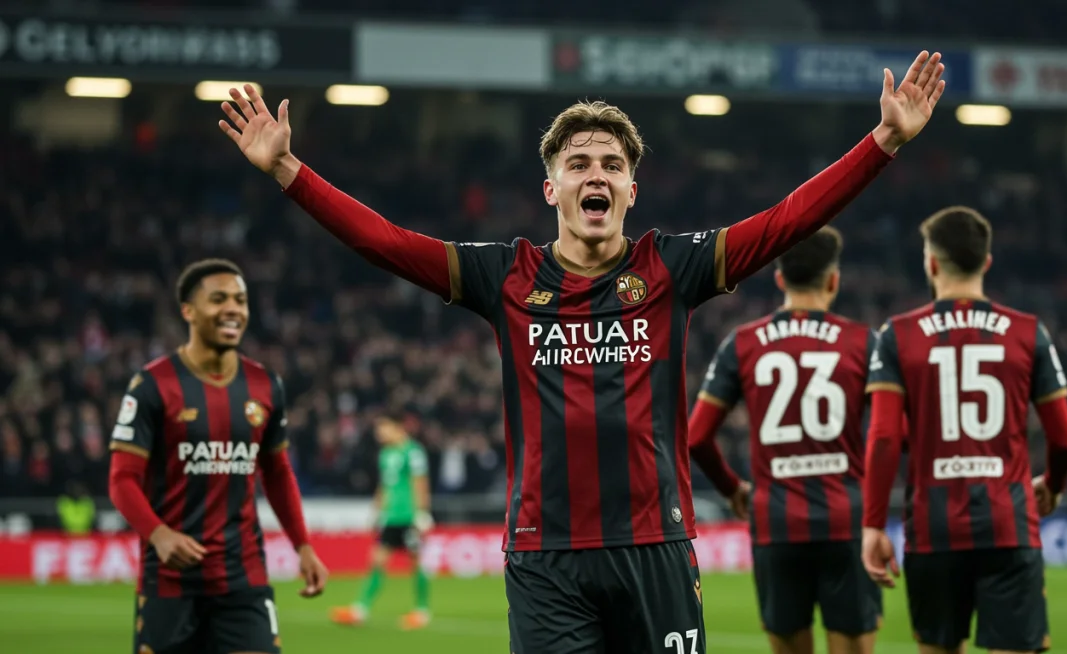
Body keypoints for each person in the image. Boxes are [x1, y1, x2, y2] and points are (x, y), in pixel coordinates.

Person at [217, 51, 946, 654]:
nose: (594, 173)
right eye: (577, 163)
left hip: (654, 547)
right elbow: (383, 243)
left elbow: (790, 220)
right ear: (551, 187)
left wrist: (882, 143)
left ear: (631, 187)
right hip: (546, 558)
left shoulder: (671, 268)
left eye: (610, 163)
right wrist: (288, 172)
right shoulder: (504, 275)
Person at [861, 207, 1067, 654]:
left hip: (932, 529)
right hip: (1008, 523)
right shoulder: (1028, 333)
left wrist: (872, 524)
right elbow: (1065, 438)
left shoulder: (897, 335)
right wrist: (1053, 485)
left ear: (931, 263)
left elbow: (883, 438)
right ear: (987, 262)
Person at [108, 259, 328, 654]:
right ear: (188, 311)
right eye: (219, 299)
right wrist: (158, 534)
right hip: (170, 579)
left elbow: (277, 473)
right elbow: (122, 479)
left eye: (241, 300)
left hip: (243, 575)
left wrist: (303, 545)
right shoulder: (152, 385)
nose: (233, 309)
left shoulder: (265, 385)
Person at [688, 227, 882, 654]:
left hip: (775, 521)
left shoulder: (742, 343)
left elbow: (696, 436)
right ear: (833, 280)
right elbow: (892, 432)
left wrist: (733, 489)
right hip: (845, 521)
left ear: (779, 280)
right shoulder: (864, 343)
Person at [330, 414, 434, 629]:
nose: (380, 433)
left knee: (415, 562)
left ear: (398, 428)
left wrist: (421, 513)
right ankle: (360, 609)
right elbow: (384, 486)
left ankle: (422, 611)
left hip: (409, 517)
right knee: (377, 561)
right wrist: (376, 511)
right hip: (391, 517)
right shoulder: (386, 454)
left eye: (384, 428)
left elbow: (420, 483)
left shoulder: (413, 452)